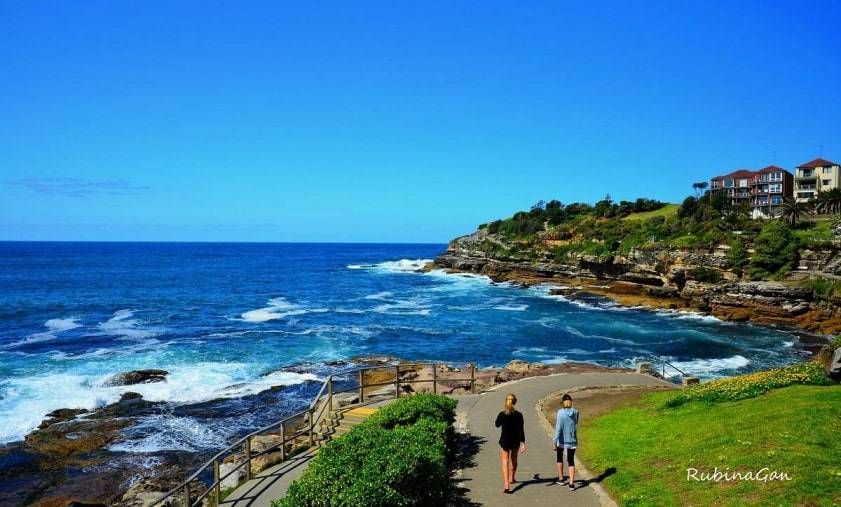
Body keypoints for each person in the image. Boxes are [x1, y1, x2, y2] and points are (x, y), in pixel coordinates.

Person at [495, 393, 526, 494]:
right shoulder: (519, 415)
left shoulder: (502, 414)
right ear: (515, 402)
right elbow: (521, 430)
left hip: (505, 440)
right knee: (514, 460)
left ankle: (506, 484)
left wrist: (501, 417)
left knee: (505, 461)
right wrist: (523, 443)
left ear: (506, 402)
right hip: (515, 441)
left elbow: (497, 424)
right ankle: (512, 476)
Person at [553, 393, 579, 491]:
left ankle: (561, 478)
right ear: (571, 402)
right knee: (571, 460)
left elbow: (558, 428)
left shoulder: (560, 412)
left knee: (559, 458)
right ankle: (571, 483)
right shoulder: (576, 412)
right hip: (572, 439)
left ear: (562, 403)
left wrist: (555, 440)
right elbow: (576, 424)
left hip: (561, 439)